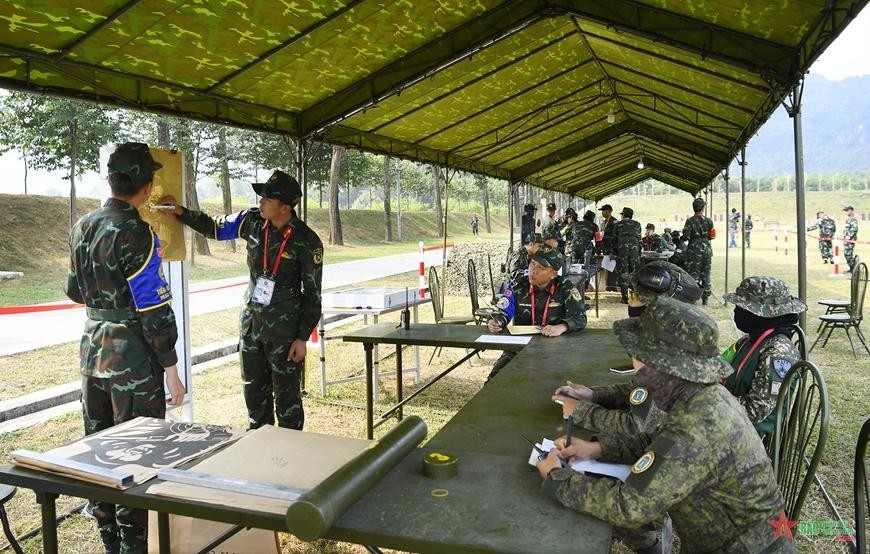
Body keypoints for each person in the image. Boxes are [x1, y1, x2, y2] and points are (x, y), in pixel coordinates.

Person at [538, 297, 789, 553]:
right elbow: (662, 440)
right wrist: (598, 448)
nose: (633, 359)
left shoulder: (699, 422)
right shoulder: (696, 393)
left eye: (636, 352)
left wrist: (557, 478)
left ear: (659, 363)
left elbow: (630, 507)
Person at [65, 142, 185, 554]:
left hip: (92, 354)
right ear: (147, 185)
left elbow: (72, 291)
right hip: (133, 360)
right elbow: (154, 309)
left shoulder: (83, 226)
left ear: (112, 180)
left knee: (99, 453)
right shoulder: (137, 233)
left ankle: (109, 544)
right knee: (139, 455)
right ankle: (135, 546)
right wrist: (171, 368)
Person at [161, 169, 323, 430]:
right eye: (261, 198)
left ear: (285, 208)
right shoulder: (252, 221)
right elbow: (213, 227)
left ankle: (289, 459)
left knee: (287, 401)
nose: (261, 203)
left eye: (267, 200)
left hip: (285, 333)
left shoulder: (307, 241)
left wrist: (302, 337)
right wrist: (180, 211)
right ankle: (258, 452)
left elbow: (313, 294)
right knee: (254, 396)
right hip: (252, 327)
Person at [553, 261, 702, 438]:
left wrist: (582, 412)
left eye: (637, 296)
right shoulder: (670, 342)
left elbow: (643, 427)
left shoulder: (676, 353)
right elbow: (643, 390)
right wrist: (594, 395)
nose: (630, 303)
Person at [722, 276, 806, 438]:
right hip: (729, 421)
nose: (736, 311)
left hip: (747, 438)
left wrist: (708, 404)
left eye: (744, 308)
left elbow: (754, 411)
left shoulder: (778, 353)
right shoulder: (752, 339)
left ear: (762, 314)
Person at [486, 248, 586, 380]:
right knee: (494, 381)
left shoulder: (565, 288)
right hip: (519, 348)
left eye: (541, 267)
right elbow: (503, 311)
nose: (534, 270)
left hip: (555, 349)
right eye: (532, 263)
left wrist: (561, 327)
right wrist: (497, 321)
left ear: (553, 274)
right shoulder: (518, 286)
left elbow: (580, 318)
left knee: (553, 386)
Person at [682, 196, 715, 304]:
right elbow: (713, 236)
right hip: (706, 248)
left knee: (693, 274)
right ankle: (705, 298)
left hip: (694, 249)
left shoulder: (689, 221)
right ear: (703, 208)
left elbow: (686, 236)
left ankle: (693, 298)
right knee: (706, 273)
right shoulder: (709, 221)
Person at [613, 207, 641, 303]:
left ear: (623, 215)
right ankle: (634, 296)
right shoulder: (637, 224)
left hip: (622, 251)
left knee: (623, 273)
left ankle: (625, 298)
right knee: (634, 273)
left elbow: (614, 239)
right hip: (634, 251)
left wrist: (613, 252)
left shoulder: (618, 224)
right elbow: (639, 237)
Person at [843, 205, 858, 272]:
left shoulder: (853, 219)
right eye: (845, 211)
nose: (846, 212)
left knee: (848, 254)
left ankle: (853, 269)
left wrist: (849, 237)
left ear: (851, 211)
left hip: (850, 240)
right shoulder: (849, 219)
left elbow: (854, 229)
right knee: (847, 254)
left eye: (847, 210)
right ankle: (852, 269)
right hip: (847, 240)